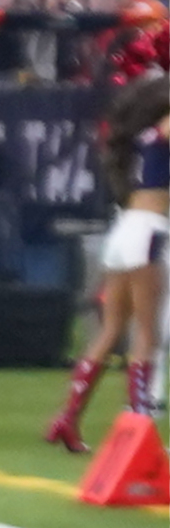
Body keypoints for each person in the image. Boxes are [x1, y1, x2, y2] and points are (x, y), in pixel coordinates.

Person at [51, 72, 170, 455]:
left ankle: (68, 418)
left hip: (123, 232)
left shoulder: (137, 138)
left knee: (109, 331)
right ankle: (141, 428)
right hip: (149, 233)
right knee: (146, 335)